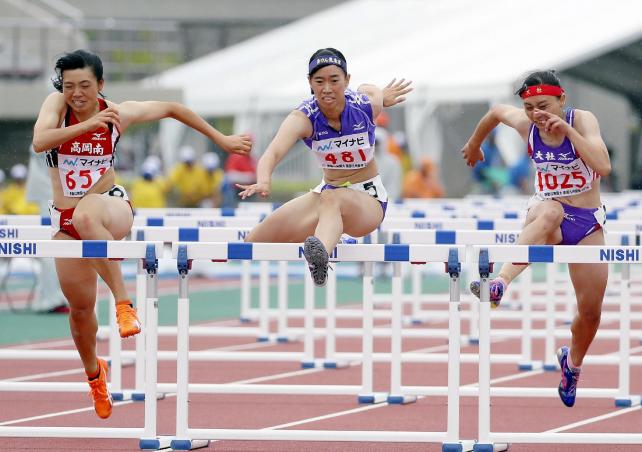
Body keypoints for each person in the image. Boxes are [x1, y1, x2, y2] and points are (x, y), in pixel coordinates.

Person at [32, 49, 251, 419]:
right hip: (64, 221)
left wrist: (222, 139)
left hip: (109, 206)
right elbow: (41, 141)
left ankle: (123, 303)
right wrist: (88, 124)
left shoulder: (120, 113)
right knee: (80, 312)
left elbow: (172, 108)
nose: (77, 94)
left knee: (88, 213)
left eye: (85, 85)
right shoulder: (57, 106)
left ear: (100, 85)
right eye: (70, 86)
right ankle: (94, 374)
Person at [461, 70, 611, 408]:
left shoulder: (582, 120)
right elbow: (497, 112)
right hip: (546, 214)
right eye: (529, 109)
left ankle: (571, 365)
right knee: (551, 212)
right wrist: (474, 144)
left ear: (562, 100)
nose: (536, 115)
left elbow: (603, 166)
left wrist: (568, 130)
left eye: (543, 106)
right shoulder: (528, 127)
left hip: (587, 223)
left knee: (590, 314)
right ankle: (498, 282)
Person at [237, 48, 412, 286]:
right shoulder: (304, 118)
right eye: (319, 81)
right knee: (253, 242)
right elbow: (274, 151)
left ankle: (321, 261)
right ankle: (332, 236)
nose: (327, 89)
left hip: (368, 199)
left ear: (347, 80)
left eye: (334, 80)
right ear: (310, 83)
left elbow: (370, 90)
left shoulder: (366, 106)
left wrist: (377, 93)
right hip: (326, 193)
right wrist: (264, 179)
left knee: (332, 198)